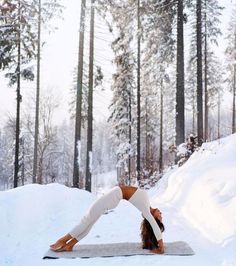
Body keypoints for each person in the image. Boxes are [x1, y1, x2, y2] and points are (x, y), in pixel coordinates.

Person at [50, 185, 165, 254]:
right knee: (89, 223)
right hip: (113, 197)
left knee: (86, 221)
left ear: (154, 218)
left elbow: (155, 227)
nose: (161, 214)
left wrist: (161, 248)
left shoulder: (146, 211)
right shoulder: (147, 205)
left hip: (113, 197)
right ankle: (70, 245)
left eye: (159, 217)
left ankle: (62, 241)